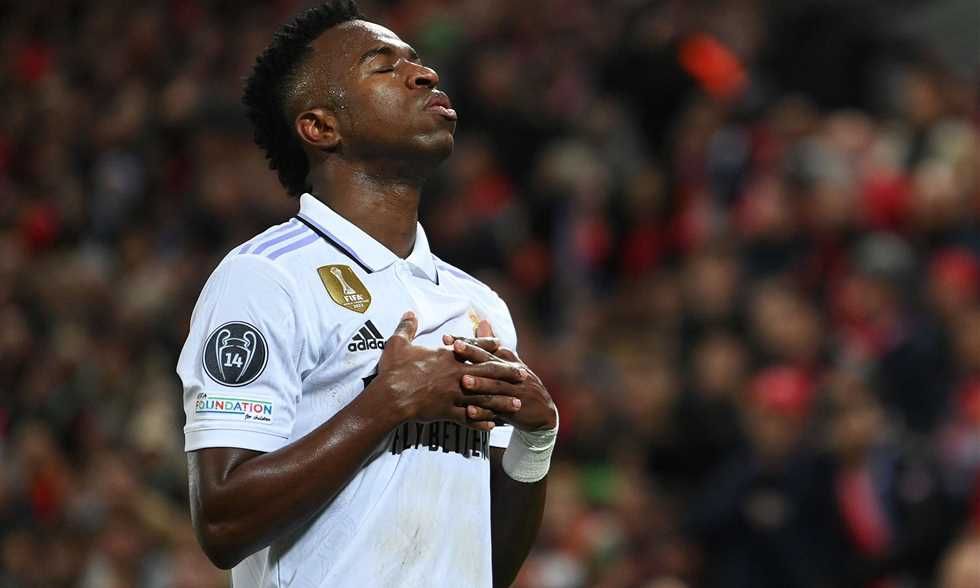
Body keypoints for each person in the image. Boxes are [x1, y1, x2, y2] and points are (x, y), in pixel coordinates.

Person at [175, 2, 559, 586]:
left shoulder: (480, 307)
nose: (425, 74)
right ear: (321, 127)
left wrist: (536, 439)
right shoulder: (266, 278)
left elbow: (486, 568)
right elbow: (222, 521)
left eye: (417, 61)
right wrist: (386, 405)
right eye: (384, 67)